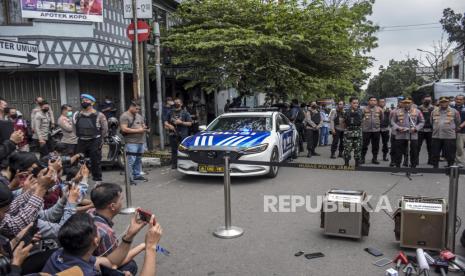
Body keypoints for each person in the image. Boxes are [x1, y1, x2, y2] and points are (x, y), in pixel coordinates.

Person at [42, 212, 162, 276]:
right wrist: (151, 247)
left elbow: (110, 262)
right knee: (130, 266)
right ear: (96, 241)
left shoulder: (59, 253)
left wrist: (129, 236)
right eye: (96, 228)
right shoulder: (87, 273)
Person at [89, 183, 144, 274]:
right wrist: (144, 246)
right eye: (121, 200)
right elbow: (112, 262)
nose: (122, 203)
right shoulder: (106, 232)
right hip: (92, 268)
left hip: (80, 262)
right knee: (130, 265)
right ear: (112, 206)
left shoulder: (90, 212)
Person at [74, 94, 108, 185]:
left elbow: (104, 129)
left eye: (86, 100)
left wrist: (101, 139)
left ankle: (97, 180)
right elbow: (74, 127)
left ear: (92, 102)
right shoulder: (77, 114)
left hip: (94, 140)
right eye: (83, 100)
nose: (84, 102)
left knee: (95, 161)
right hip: (81, 140)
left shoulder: (99, 115)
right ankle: (81, 179)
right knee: (80, 161)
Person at [390, 97, 425, 168]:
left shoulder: (417, 111)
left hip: (413, 135)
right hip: (400, 135)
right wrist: (397, 128)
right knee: (398, 152)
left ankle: (413, 167)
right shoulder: (397, 111)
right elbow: (392, 121)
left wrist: (416, 128)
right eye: (405, 103)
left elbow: (422, 122)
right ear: (403, 103)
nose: (407, 104)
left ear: (411, 103)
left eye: (408, 103)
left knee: (414, 152)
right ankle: (398, 167)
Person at [120, 101, 149, 184]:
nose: (137, 110)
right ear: (131, 107)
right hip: (131, 142)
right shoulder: (125, 116)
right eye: (136, 108)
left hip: (140, 141)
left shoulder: (139, 116)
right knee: (130, 160)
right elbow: (124, 129)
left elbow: (143, 124)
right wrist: (138, 130)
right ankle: (129, 178)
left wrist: (145, 128)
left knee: (138, 160)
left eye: (139, 109)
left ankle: (137, 175)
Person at [431, 96, 461, 168]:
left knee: (450, 153)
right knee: (435, 153)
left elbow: (458, 122)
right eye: (442, 102)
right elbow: (431, 122)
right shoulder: (434, 111)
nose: (443, 103)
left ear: (448, 102)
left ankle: (450, 166)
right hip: (436, 135)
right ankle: (435, 167)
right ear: (439, 102)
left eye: (445, 102)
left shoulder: (454, 111)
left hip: (449, 136)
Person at [164, 98, 192, 169]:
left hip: (183, 134)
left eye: (178, 102)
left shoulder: (185, 113)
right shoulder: (170, 112)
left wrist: (181, 122)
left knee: (183, 149)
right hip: (172, 134)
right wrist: (168, 125)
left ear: (181, 104)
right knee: (173, 149)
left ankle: (184, 164)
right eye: (175, 102)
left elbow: (190, 123)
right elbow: (165, 121)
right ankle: (174, 164)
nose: (176, 103)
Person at [361, 96, 383, 164]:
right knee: (364, 145)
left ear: (376, 102)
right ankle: (362, 158)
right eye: (371, 100)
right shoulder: (364, 109)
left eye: (374, 100)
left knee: (375, 146)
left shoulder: (379, 109)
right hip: (366, 130)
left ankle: (375, 158)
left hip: (376, 130)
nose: (373, 101)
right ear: (369, 101)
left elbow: (381, 118)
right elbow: (360, 118)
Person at [343, 97, 363, 166]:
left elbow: (362, 121)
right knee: (347, 148)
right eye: (354, 103)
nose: (356, 104)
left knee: (358, 148)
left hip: (358, 132)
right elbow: (344, 122)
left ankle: (357, 163)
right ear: (350, 103)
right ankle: (346, 163)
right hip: (349, 133)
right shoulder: (346, 112)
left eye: (357, 103)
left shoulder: (360, 111)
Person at [418, 95, 434, 165]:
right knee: (417, 146)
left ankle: (431, 160)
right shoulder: (418, 108)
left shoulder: (434, 108)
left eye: (429, 100)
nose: (427, 101)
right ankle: (415, 160)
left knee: (430, 146)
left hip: (430, 130)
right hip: (420, 130)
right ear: (422, 100)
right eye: (426, 100)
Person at [454, 94, 465, 166]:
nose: (459, 101)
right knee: (451, 147)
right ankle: (452, 162)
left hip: (462, 131)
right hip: (451, 131)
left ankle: (460, 162)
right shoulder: (451, 108)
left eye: (461, 99)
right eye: (457, 99)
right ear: (455, 100)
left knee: (460, 147)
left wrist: (460, 126)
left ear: (464, 100)